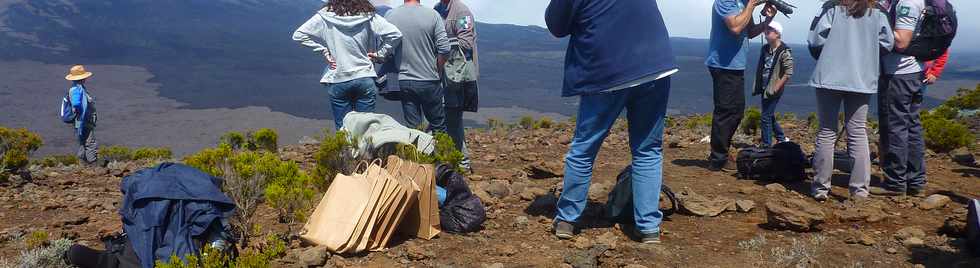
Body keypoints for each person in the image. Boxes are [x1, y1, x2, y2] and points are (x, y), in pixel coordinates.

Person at [546, 0, 677, 244]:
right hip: (655, 65)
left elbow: (556, 25)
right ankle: (648, 226)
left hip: (606, 70)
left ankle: (567, 218)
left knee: (584, 148)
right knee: (647, 150)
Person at [809, 0, 894, 201]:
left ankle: (821, 188)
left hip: (829, 77)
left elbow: (815, 40)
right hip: (862, 78)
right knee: (857, 132)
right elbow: (887, 43)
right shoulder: (878, 11)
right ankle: (859, 191)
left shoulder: (832, 7)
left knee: (827, 131)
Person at [293, 0, 402, 130]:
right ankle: (365, 150)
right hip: (364, 76)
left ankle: (346, 150)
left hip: (339, 77)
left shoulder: (325, 16)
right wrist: (380, 54)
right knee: (366, 128)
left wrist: (323, 50)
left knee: (344, 128)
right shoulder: (368, 16)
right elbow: (395, 34)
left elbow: (299, 35)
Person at [706, 0, 777, 171]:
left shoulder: (743, 3)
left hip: (735, 65)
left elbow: (749, 31)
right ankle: (718, 159)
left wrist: (767, 21)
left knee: (736, 110)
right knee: (725, 111)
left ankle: (721, 153)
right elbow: (735, 28)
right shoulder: (725, 2)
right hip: (723, 64)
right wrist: (751, 5)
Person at [871, 0, 928, 197]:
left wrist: (879, 19)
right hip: (913, 72)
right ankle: (915, 182)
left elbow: (902, 41)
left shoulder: (906, 3)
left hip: (899, 74)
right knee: (912, 127)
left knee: (894, 127)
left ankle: (895, 183)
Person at [386, 0, 451, 132]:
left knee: (413, 129)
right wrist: (438, 70)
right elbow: (444, 49)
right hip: (429, 79)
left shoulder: (390, 16)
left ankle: (417, 152)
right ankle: (441, 152)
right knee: (438, 127)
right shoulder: (433, 15)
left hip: (405, 80)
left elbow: (384, 46)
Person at [434, 0, 478, 172]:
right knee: (448, 117)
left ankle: (462, 164)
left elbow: (466, 42)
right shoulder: (437, 10)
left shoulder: (462, 12)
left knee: (452, 117)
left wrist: (442, 46)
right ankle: (459, 162)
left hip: (457, 76)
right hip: (443, 74)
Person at [751, 21, 794, 147]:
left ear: (777, 34)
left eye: (768, 31)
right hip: (765, 87)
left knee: (765, 117)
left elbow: (789, 72)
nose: (765, 33)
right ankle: (781, 138)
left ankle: (766, 145)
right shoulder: (765, 49)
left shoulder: (784, 51)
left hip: (773, 89)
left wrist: (776, 87)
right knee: (768, 115)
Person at [65, 65, 99, 165]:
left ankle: (82, 164)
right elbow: (76, 103)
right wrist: (82, 113)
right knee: (90, 142)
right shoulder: (77, 89)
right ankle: (93, 164)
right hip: (83, 121)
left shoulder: (77, 88)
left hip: (80, 121)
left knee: (83, 142)